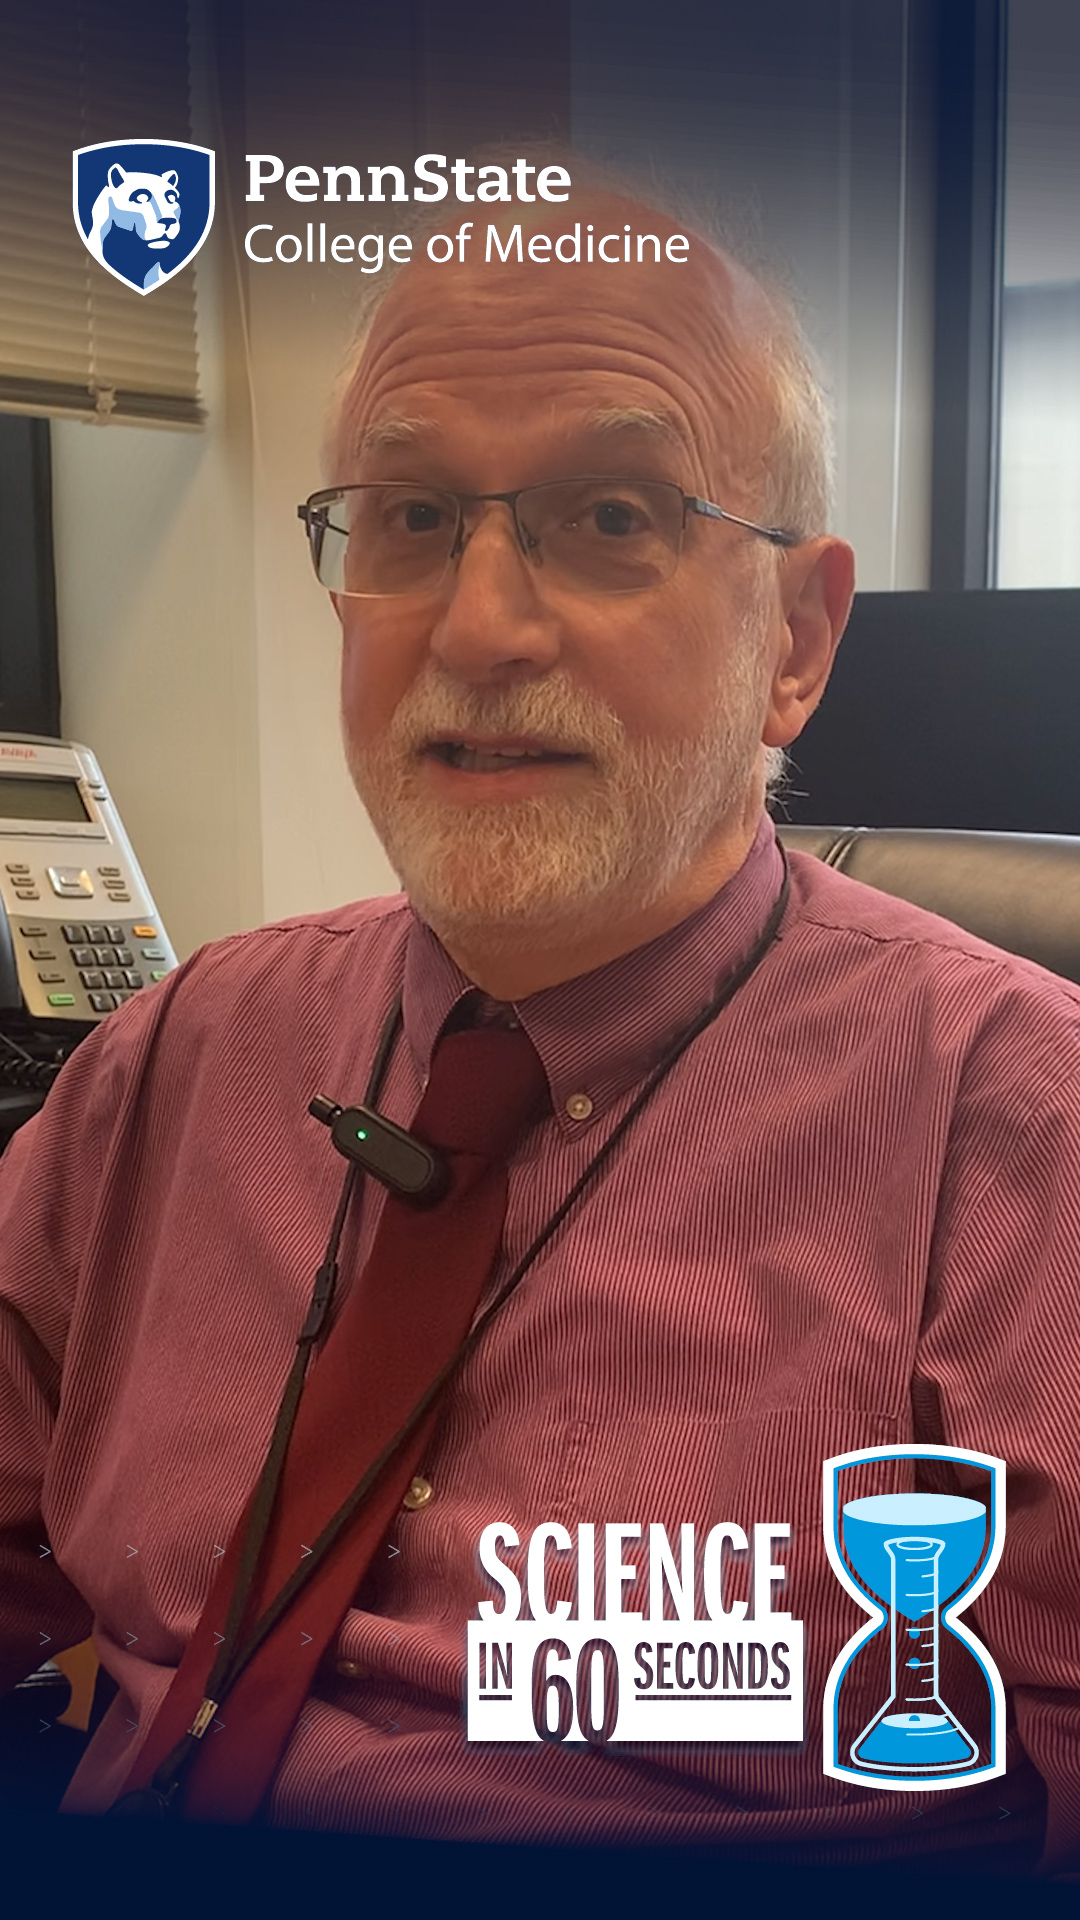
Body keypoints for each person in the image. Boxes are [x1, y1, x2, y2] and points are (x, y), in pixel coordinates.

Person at [1, 177, 1079, 1875]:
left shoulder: (1021, 1129)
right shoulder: (182, 1055)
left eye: (612, 515)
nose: (480, 628)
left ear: (796, 643)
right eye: (414, 517)